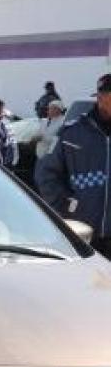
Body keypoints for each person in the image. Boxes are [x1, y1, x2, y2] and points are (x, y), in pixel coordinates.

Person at [37, 74, 111, 260]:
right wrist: (67, 206)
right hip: (82, 233)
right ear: (100, 97)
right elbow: (45, 174)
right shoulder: (71, 133)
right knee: (85, 286)